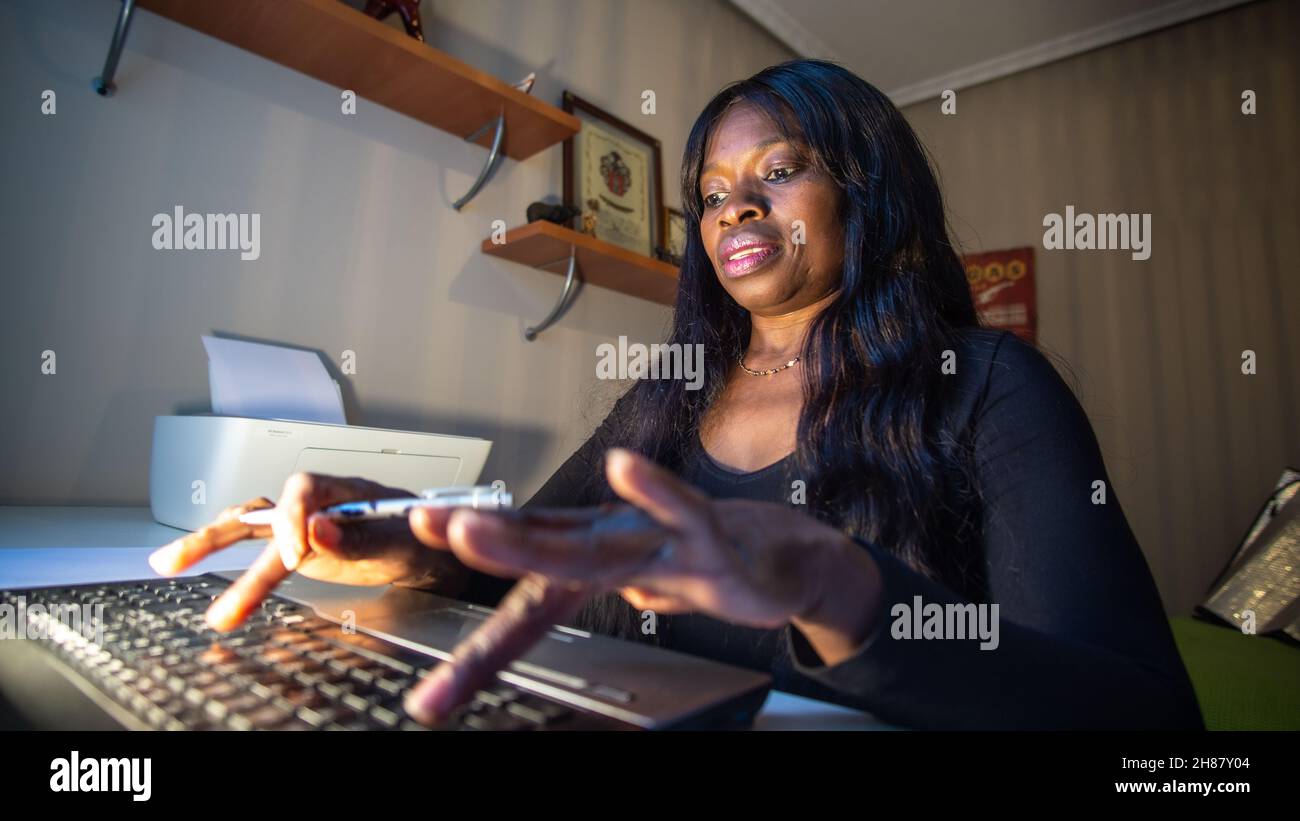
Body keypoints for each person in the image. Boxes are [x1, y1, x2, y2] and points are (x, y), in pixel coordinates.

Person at [149, 59, 1203, 731]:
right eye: (707, 191)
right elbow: (530, 548)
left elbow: (1149, 726)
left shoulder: (986, 385)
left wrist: (843, 589)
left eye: (780, 169)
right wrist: (389, 534)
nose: (732, 201)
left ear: (865, 194)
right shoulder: (669, 392)